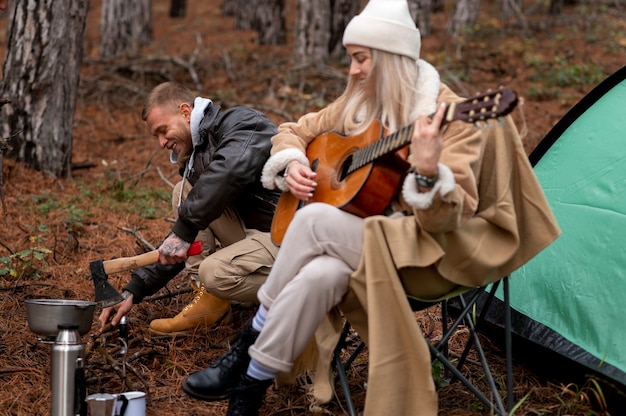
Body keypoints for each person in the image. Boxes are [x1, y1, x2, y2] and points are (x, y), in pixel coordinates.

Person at [180, 1, 561, 415]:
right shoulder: (361, 104)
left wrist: (430, 171)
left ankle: (246, 346)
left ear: (391, 60)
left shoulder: (453, 118)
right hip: (369, 247)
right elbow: (292, 130)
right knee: (321, 274)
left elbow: (446, 221)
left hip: (433, 254)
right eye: (351, 59)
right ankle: (249, 390)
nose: (353, 70)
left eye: (361, 59)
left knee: (314, 219)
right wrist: (290, 163)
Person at [98, 81, 281, 336]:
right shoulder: (198, 158)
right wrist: (134, 289)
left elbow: (230, 172)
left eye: (163, 131)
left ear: (186, 112)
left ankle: (297, 296)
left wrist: (183, 231)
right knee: (183, 193)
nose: (161, 143)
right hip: (253, 233)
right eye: (157, 137)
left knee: (213, 273)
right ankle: (209, 302)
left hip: (285, 235)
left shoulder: (242, 122)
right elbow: (182, 242)